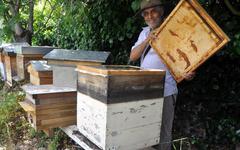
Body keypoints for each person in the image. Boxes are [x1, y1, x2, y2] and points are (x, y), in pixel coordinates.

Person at [129, 0, 195, 149]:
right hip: (145, 91)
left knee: (164, 134)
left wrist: (187, 74)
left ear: (161, 11)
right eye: (145, 14)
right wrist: (147, 40)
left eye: (153, 11)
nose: (150, 16)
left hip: (166, 91)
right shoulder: (144, 32)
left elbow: (186, 60)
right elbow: (133, 56)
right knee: (145, 130)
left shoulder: (175, 30)